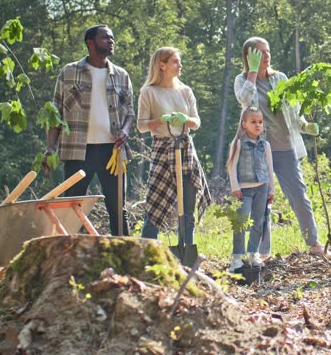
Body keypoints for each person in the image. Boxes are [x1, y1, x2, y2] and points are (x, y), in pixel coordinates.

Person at [234, 37, 325, 258]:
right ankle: (261, 252)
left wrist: (305, 125)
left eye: (267, 52)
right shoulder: (242, 80)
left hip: (285, 148)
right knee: (261, 201)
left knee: (299, 195)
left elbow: (293, 111)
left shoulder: (280, 78)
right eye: (260, 53)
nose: (266, 56)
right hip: (257, 149)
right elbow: (245, 100)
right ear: (249, 56)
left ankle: (314, 244)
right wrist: (253, 73)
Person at [43, 25, 133, 236]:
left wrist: (126, 131)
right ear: (90, 43)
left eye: (112, 37)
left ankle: (124, 255)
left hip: (113, 152)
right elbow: (55, 113)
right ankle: (70, 256)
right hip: (77, 151)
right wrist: (49, 149)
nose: (111, 41)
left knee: (118, 208)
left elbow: (130, 112)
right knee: (71, 207)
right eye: (105, 38)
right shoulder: (69, 72)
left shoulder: (121, 75)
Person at [136, 47, 211, 243]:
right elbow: (142, 126)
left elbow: (197, 122)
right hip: (162, 150)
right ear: (162, 65)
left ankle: (185, 253)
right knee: (154, 208)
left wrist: (186, 119)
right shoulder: (148, 92)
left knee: (187, 211)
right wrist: (161, 120)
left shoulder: (185, 91)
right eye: (175, 62)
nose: (180, 65)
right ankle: (147, 254)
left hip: (185, 149)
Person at [225, 106, 275, 271]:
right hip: (244, 190)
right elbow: (231, 166)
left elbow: (269, 168)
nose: (258, 125)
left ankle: (253, 253)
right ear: (244, 124)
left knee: (258, 222)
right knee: (241, 222)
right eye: (253, 122)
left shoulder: (265, 145)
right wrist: (235, 186)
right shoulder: (238, 143)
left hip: (262, 187)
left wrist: (271, 189)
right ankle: (237, 257)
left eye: (260, 122)